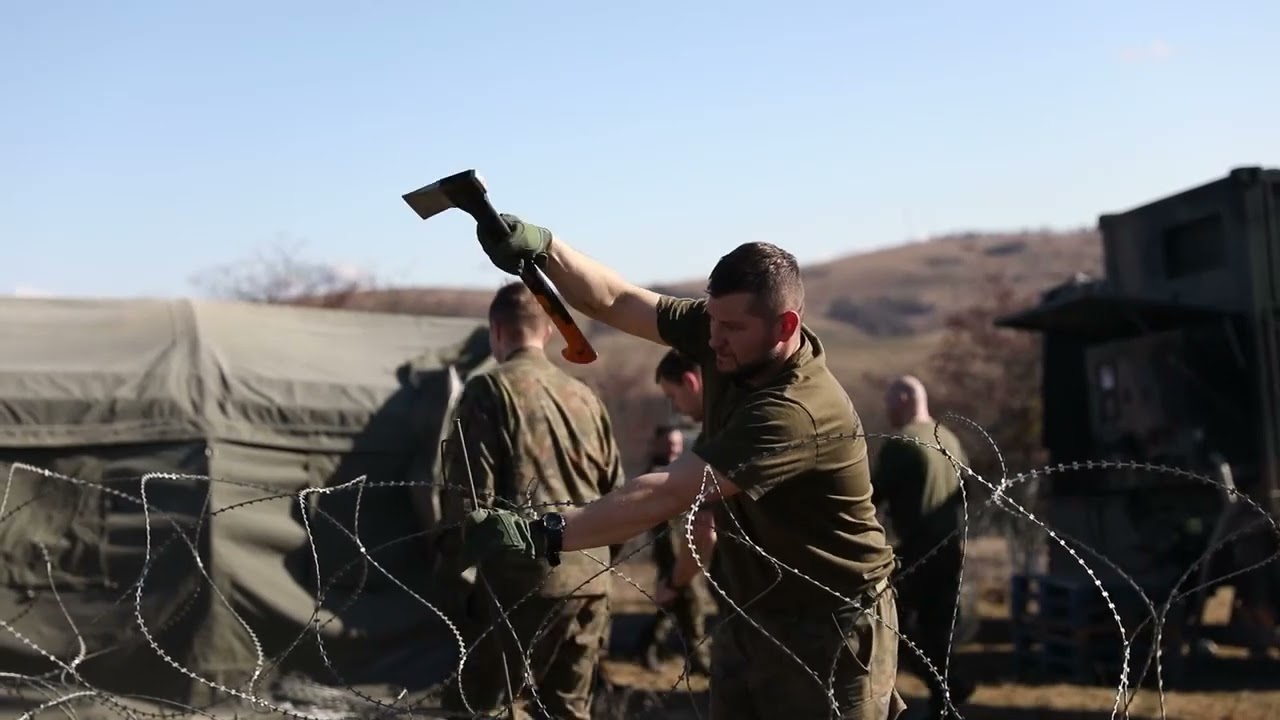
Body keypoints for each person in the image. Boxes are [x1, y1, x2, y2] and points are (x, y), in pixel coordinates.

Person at [458, 216, 907, 720]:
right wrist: (543, 247)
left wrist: (543, 534)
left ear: (785, 327)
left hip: (828, 627)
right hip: (750, 610)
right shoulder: (727, 335)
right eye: (712, 320)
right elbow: (617, 300)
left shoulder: (795, 409)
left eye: (731, 327)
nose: (713, 339)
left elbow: (670, 492)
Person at [438, 281, 627, 720]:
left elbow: (470, 502)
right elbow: (619, 493)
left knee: (486, 706)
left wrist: (452, 575)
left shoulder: (488, 390)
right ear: (548, 331)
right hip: (591, 580)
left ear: (496, 331)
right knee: (568, 710)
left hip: (521, 583)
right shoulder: (585, 397)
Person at [871, 375, 976, 720]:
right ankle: (944, 699)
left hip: (916, 551)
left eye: (889, 403)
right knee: (939, 628)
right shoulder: (949, 439)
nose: (887, 411)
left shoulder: (902, 444)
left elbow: (871, 497)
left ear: (903, 401)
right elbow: (966, 492)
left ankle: (946, 686)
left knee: (892, 625)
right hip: (950, 548)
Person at [634, 361, 713, 674]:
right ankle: (696, 658)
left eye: (677, 445)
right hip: (672, 548)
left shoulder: (683, 471)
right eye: (669, 445)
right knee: (686, 602)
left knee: (676, 604)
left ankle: (658, 648)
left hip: (686, 546)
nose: (673, 449)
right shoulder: (656, 475)